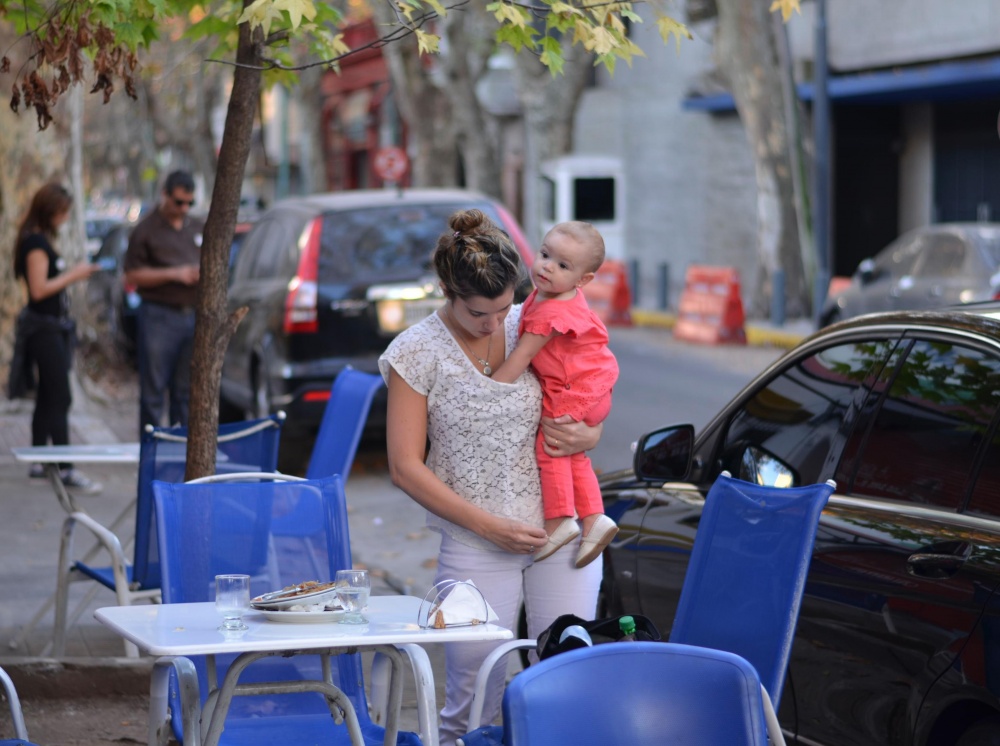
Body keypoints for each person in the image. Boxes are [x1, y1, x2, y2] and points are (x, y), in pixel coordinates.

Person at [379, 209, 603, 746]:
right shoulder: (417, 351)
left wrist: (588, 434)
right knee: (474, 694)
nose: (495, 322)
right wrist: (489, 527)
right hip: (474, 541)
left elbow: (586, 385)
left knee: (566, 676)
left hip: (562, 528)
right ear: (445, 290)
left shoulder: (535, 317)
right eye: (481, 312)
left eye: (505, 307)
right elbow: (404, 466)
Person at [491, 221, 619, 568]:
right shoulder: (559, 293)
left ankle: (561, 518)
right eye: (546, 254)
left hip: (575, 389)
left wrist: (489, 391)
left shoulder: (551, 312)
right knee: (574, 456)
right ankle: (594, 518)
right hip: (592, 385)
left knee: (550, 447)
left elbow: (521, 356)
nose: (547, 266)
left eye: (563, 265)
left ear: (584, 280)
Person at [12, 182, 102, 494]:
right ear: (50, 211)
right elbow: (39, 291)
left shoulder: (39, 239)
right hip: (43, 329)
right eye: (63, 213)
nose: (66, 218)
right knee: (61, 396)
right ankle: (64, 467)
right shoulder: (35, 243)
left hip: (51, 328)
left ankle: (40, 458)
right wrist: (72, 275)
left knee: (49, 395)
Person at [124, 170, 202, 432]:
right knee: (154, 390)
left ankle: (182, 453)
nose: (183, 209)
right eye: (178, 202)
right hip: (159, 315)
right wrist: (174, 274)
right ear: (165, 195)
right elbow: (132, 275)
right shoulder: (145, 230)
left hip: (191, 315)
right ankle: (152, 452)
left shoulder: (196, 226)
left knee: (185, 390)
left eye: (189, 203)